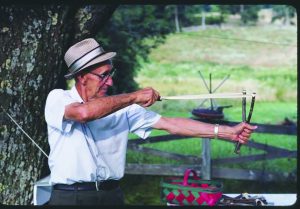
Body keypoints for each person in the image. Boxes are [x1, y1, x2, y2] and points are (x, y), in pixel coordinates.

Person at [44, 38, 257, 205]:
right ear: (82, 77)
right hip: (70, 197)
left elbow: (172, 124)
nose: (110, 81)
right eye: (103, 75)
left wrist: (227, 132)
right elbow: (83, 114)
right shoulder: (58, 98)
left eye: (111, 74)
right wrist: (134, 96)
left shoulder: (122, 109)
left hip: (112, 196)